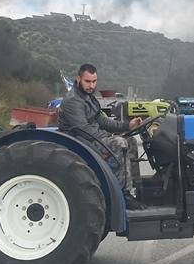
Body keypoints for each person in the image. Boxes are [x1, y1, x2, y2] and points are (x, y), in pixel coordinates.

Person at [58, 63, 144, 209]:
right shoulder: (73, 101)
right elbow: (83, 130)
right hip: (79, 141)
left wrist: (127, 126)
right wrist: (110, 136)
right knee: (119, 143)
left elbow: (103, 121)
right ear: (78, 79)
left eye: (94, 81)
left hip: (91, 137)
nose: (91, 85)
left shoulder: (89, 98)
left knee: (130, 141)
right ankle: (122, 195)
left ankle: (136, 187)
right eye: (87, 81)